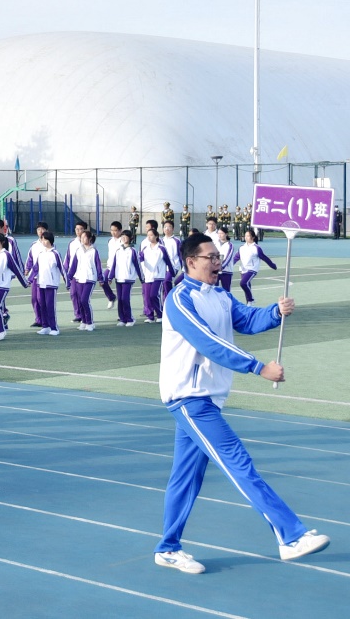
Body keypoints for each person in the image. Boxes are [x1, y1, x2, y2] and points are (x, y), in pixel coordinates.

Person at [153, 232, 329, 574]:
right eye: (210, 258)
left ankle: (168, 547)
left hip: (208, 398)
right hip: (189, 398)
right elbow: (208, 343)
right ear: (191, 262)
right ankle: (291, 536)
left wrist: (275, 313)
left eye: (218, 257)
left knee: (184, 478)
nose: (218, 262)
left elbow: (246, 320)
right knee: (238, 462)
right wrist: (259, 367)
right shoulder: (179, 300)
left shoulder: (219, 294)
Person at [26, 230, 65, 336]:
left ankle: (54, 328)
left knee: (50, 306)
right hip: (40, 283)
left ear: (49, 240)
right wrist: (29, 279)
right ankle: (45, 326)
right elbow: (35, 268)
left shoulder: (55, 253)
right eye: (42, 239)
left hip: (51, 284)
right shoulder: (41, 254)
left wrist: (67, 282)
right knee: (42, 304)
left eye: (44, 239)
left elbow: (62, 269)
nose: (42, 241)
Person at [66, 230, 102, 332]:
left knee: (84, 300)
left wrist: (100, 278)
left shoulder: (94, 251)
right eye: (81, 237)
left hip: (90, 279)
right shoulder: (78, 250)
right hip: (79, 278)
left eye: (84, 237)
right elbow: (74, 265)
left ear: (90, 238)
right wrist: (69, 276)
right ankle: (84, 321)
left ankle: (90, 322)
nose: (82, 239)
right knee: (79, 301)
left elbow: (98, 265)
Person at [105, 230, 140, 327]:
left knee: (125, 298)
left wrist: (142, 278)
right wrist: (110, 277)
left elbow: (137, 266)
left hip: (128, 278)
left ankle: (130, 318)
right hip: (118, 278)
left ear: (130, 238)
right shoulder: (118, 251)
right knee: (120, 299)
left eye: (126, 236)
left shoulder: (132, 251)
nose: (124, 238)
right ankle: (122, 319)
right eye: (122, 237)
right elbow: (114, 265)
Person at [139, 229, 174, 323]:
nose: (149, 237)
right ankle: (150, 316)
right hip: (147, 276)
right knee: (147, 297)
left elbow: (168, 261)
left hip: (158, 276)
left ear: (156, 236)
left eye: (151, 235)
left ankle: (160, 314)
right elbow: (140, 259)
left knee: (154, 295)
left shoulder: (161, 248)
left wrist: (172, 272)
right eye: (148, 235)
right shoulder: (145, 249)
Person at [236, 229, 278, 304]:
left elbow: (264, 257)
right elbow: (236, 258)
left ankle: (251, 299)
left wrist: (273, 265)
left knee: (243, 283)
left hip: (252, 269)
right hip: (243, 269)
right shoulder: (241, 247)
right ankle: (249, 303)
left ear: (252, 237)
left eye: (248, 236)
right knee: (247, 285)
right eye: (245, 235)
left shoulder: (256, 248)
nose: (246, 237)